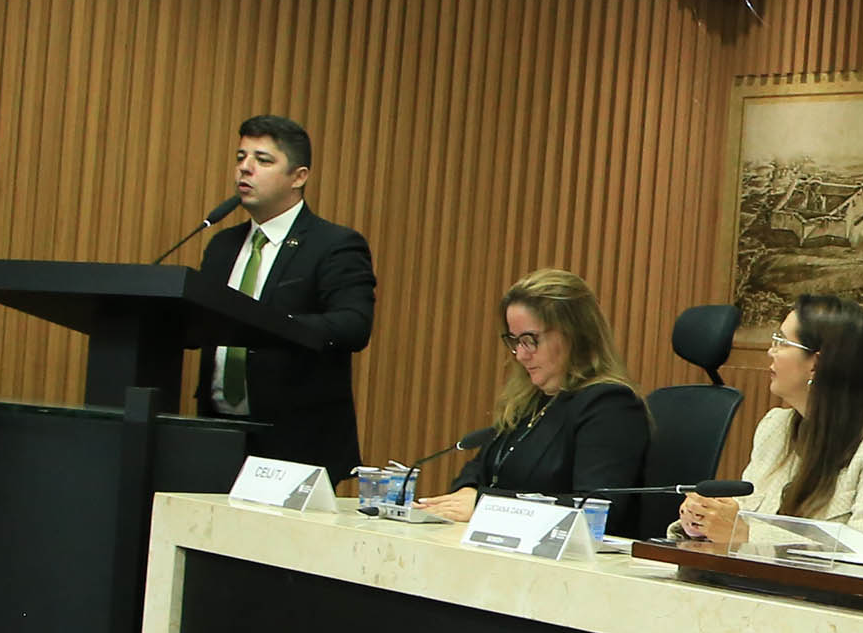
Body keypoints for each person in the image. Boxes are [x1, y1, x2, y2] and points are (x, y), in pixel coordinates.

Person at [192, 114, 377, 480]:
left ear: (299, 177)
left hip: (295, 439)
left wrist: (268, 325)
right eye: (241, 157)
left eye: (263, 160)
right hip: (216, 434)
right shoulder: (222, 245)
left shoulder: (334, 245)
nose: (245, 168)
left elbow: (353, 325)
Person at [676, 294, 863, 543]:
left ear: (816, 364)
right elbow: (743, 511)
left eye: (782, 342)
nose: (771, 351)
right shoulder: (775, 426)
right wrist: (703, 520)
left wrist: (747, 534)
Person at [418, 270, 650, 522]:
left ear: (574, 334)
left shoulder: (610, 406)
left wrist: (487, 506)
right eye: (514, 341)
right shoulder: (528, 400)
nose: (520, 355)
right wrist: (467, 492)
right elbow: (479, 470)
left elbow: (598, 509)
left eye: (530, 340)